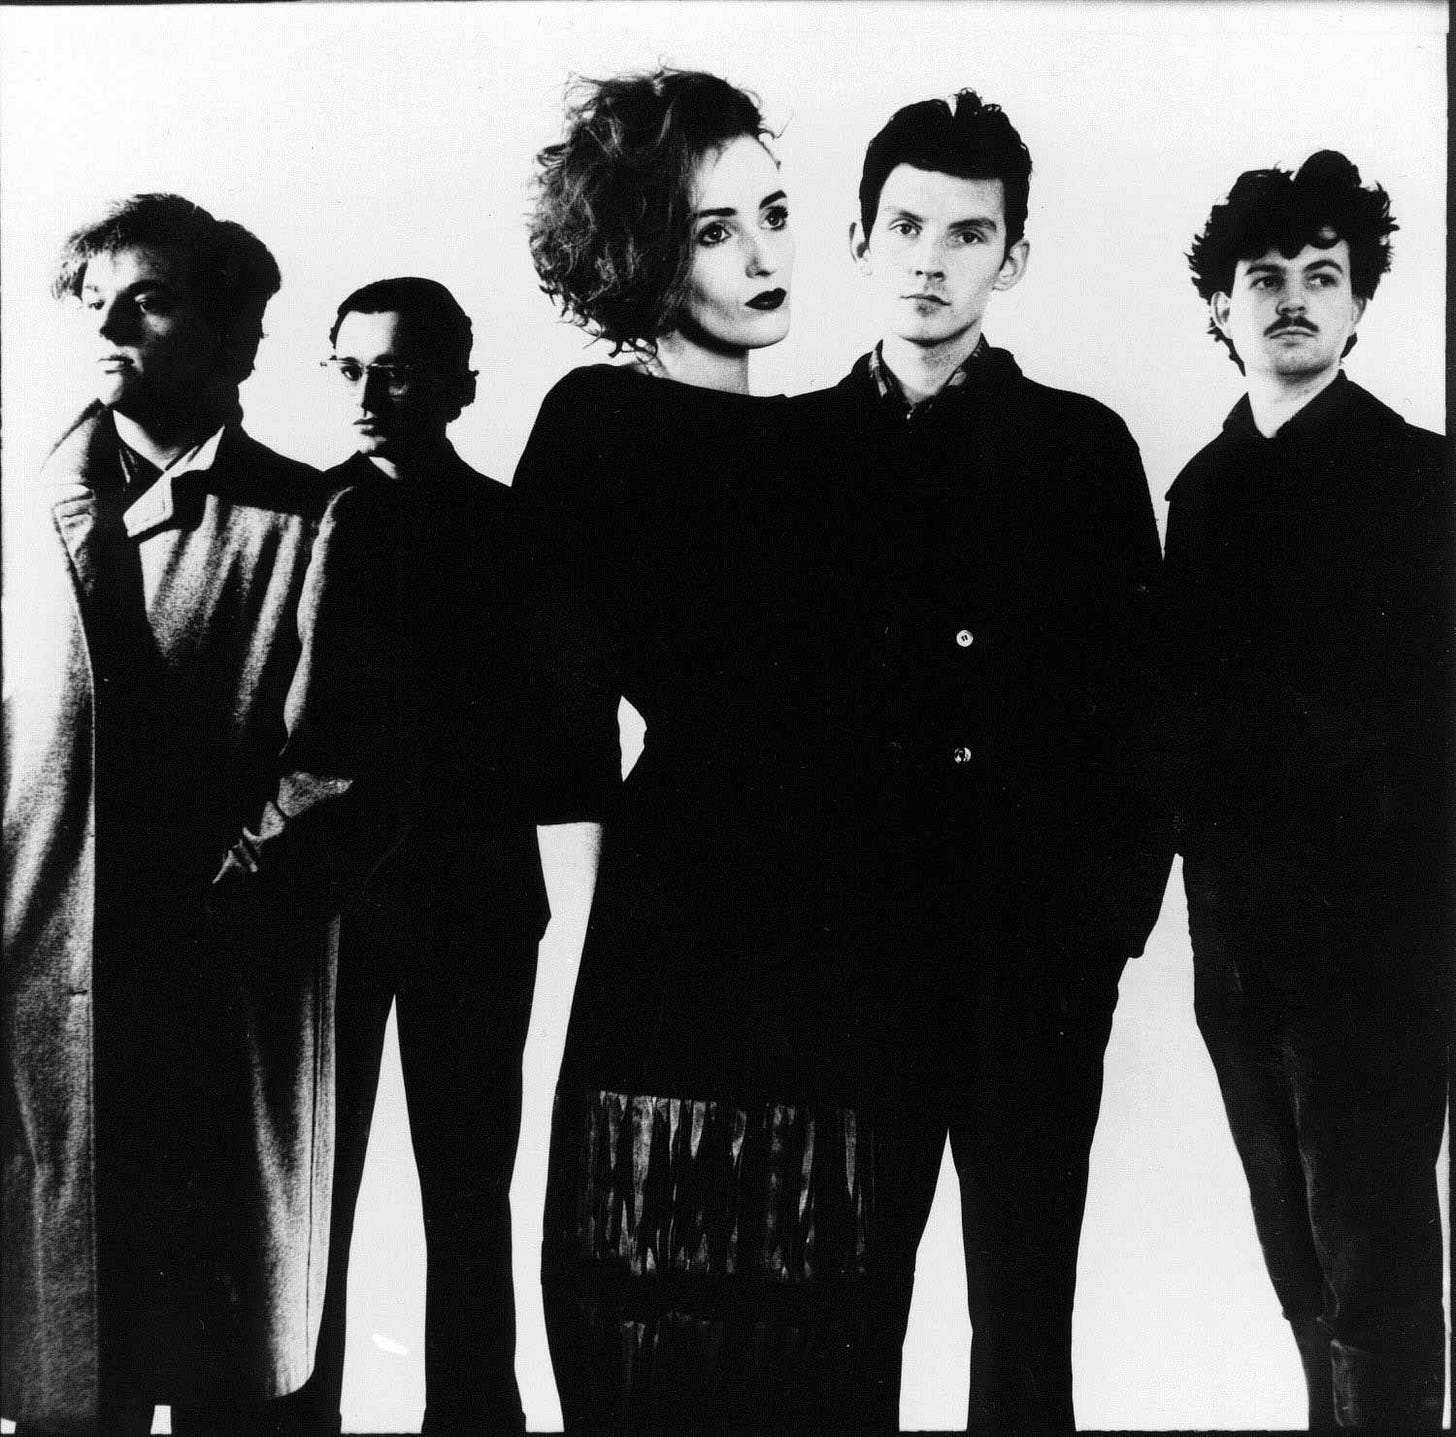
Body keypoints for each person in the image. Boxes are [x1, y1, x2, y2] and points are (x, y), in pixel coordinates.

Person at [517, 68, 901, 1429]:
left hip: (839, 925)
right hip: (671, 917)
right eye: (713, 230)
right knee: (648, 1303)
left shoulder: (848, 436)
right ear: (639, 254)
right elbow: (553, 731)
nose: (761, 255)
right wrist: (588, 935)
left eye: (775, 215)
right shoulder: (594, 422)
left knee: (817, 1324)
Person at [795, 92, 1169, 1433]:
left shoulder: (1080, 446)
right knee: (836, 1323)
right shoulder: (792, 453)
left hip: (1028, 965)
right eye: (905, 226)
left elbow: (1142, 710)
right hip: (845, 966)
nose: (930, 260)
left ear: (1011, 257)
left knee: (1022, 1325)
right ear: (858, 238)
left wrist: (1098, 937)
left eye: (967, 234)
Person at [2, 194, 401, 1435]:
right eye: (94, 301)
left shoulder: (316, 520)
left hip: (217, 1008)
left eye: (151, 300)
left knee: (225, 1374)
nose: (109, 326)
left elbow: (341, 774)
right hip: (40, 1005)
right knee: (67, 1374)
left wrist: (207, 923)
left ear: (236, 338)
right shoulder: (24, 509)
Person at [1166, 151, 1450, 1430]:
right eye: (1264, 275)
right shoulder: (1198, 490)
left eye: (1322, 275)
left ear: (1359, 302)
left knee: (1372, 1263)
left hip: (1373, 945)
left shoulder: (1421, 479)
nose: (1292, 297)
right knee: (1298, 1264)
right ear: (1218, 306)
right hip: (1236, 947)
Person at [272, 277, 550, 1436]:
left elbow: (556, 727)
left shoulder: (514, 527)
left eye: (395, 370)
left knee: (470, 1191)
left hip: (475, 901)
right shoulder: (296, 515)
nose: (370, 394)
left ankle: (477, 1421)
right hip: (327, 907)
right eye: (349, 369)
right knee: (308, 1192)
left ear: (457, 386)